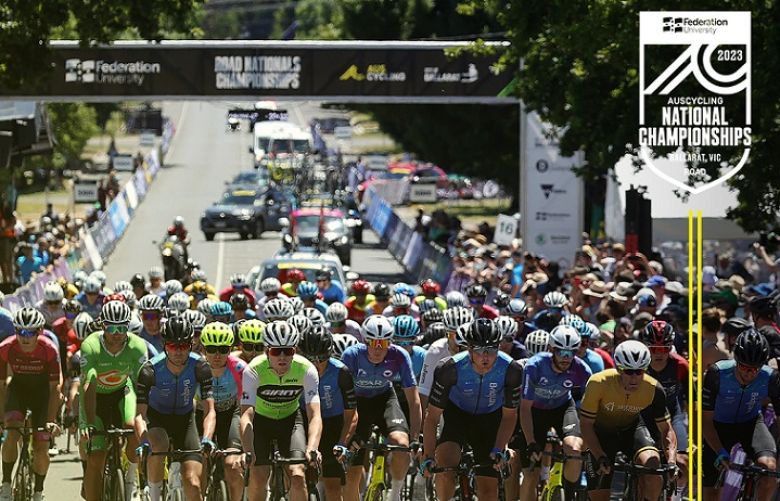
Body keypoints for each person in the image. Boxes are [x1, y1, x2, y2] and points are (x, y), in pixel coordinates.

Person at [421, 319, 522, 501]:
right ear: (468, 348)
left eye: (491, 349)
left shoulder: (511, 369)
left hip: (489, 421)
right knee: (445, 471)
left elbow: (509, 416)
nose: (485, 356)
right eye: (479, 350)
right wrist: (428, 456)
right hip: (456, 418)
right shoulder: (449, 368)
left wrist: (500, 448)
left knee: (488, 491)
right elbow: (432, 417)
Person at [580, 340, 676, 501]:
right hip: (600, 433)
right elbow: (586, 424)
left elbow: (666, 429)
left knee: (653, 470)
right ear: (618, 369)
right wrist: (599, 455)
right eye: (628, 371)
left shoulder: (654, 389)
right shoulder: (598, 383)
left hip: (631, 429)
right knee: (599, 495)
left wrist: (672, 460)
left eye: (639, 371)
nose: (634, 378)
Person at [134, 318, 216, 501]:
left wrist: (207, 438)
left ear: (191, 345)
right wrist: (143, 441)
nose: (178, 351)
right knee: (159, 445)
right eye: (172, 346)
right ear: (164, 345)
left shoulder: (200, 366)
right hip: (157, 418)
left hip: (185, 420)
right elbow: (140, 415)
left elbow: (210, 410)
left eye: (184, 346)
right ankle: (154, 494)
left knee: (193, 483)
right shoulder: (150, 370)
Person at [341, 315, 421, 501]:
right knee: (352, 471)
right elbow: (342, 397)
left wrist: (416, 438)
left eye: (383, 343)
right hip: (358, 404)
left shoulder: (399, 355)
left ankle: (395, 494)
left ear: (390, 342)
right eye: (373, 342)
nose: (378, 348)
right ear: (364, 340)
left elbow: (414, 400)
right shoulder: (351, 356)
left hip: (385, 399)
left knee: (401, 445)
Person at [239, 321, 322, 501]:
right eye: (276, 351)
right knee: (258, 475)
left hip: (290, 421)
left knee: (298, 475)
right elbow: (246, 414)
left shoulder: (306, 369)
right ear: (266, 351)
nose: (282, 357)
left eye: (288, 351)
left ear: (295, 350)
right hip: (261, 422)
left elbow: (314, 414)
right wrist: (247, 450)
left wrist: (312, 448)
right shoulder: (253, 370)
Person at [79, 301, 148, 501]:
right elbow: (88, 385)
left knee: (132, 427)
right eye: (111, 328)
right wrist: (87, 423)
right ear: (103, 326)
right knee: (96, 459)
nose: (117, 333)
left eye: (122, 328)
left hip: (122, 392)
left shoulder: (137, 346)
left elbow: (143, 383)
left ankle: (130, 478)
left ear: (128, 326)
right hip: (96, 397)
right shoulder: (91, 346)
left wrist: (147, 415)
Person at [702, 329, 780, 500]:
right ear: (736, 360)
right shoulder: (717, 373)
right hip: (718, 426)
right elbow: (705, 420)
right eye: (744, 367)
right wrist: (720, 451)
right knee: (712, 490)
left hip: (751, 424)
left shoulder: (771, 377)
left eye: (755, 369)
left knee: (769, 469)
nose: (749, 373)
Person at [518, 325, 591, 500]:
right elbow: (525, 408)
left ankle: (570, 495)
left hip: (563, 408)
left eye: (571, 352)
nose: (566, 357)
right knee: (531, 473)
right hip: (535, 411)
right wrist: (531, 442)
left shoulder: (582, 370)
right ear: (551, 349)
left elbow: (590, 409)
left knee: (574, 450)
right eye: (561, 352)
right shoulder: (534, 366)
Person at [0, 308, 61, 501]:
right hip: (17, 392)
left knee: (41, 446)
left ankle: (38, 491)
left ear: (40, 331)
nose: (25, 338)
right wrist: (1, 419)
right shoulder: (5, 348)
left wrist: (51, 420)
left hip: (42, 395)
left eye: (30, 333)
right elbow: (1, 386)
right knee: (11, 435)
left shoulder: (49, 349)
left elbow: (54, 388)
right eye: (21, 332)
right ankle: (6, 484)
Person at [297, 327, 358, 500]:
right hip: (304, 420)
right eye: (310, 358)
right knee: (297, 476)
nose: (315, 364)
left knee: (332, 486)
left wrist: (342, 443)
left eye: (321, 358)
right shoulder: (295, 369)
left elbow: (352, 415)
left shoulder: (341, 372)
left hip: (333, 423)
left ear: (330, 354)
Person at [197, 323, 246, 501]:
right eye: (211, 349)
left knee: (233, 465)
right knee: (200, 461)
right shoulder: (195, 367)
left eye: (223, 349)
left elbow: (247, 404)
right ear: (203, 349)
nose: (217, 355)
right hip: (202, 413)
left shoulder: (240, 368)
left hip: (230, 413)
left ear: (230, 349)